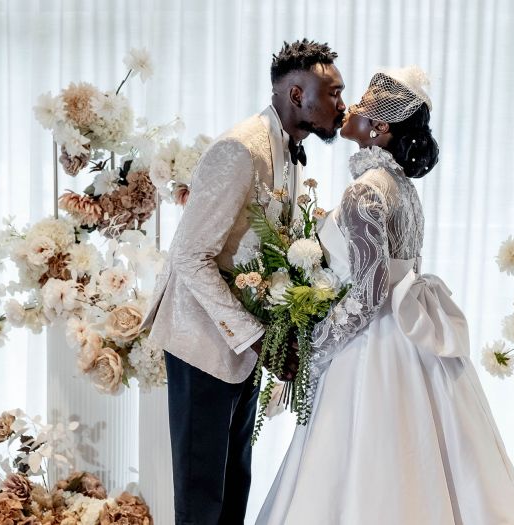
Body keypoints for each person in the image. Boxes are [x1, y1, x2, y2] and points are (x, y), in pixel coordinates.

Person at [257, 66, 514, 524]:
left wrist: (314, 349)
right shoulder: (401, 187)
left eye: (360, 105)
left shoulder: (365, 191)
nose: (349, 109)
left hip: (373, 345)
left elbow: (368, 292)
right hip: (412, 343)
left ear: (379, 129)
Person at [141, 39, 346, 525]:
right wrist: (257, 337)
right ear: (297, 95)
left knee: (234, 490)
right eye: (333, 93)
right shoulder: (241, 148)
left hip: (243, 346)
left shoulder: (292, 152)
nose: (343, 105)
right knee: (202, 498)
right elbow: (190, 256)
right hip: (203, 343)